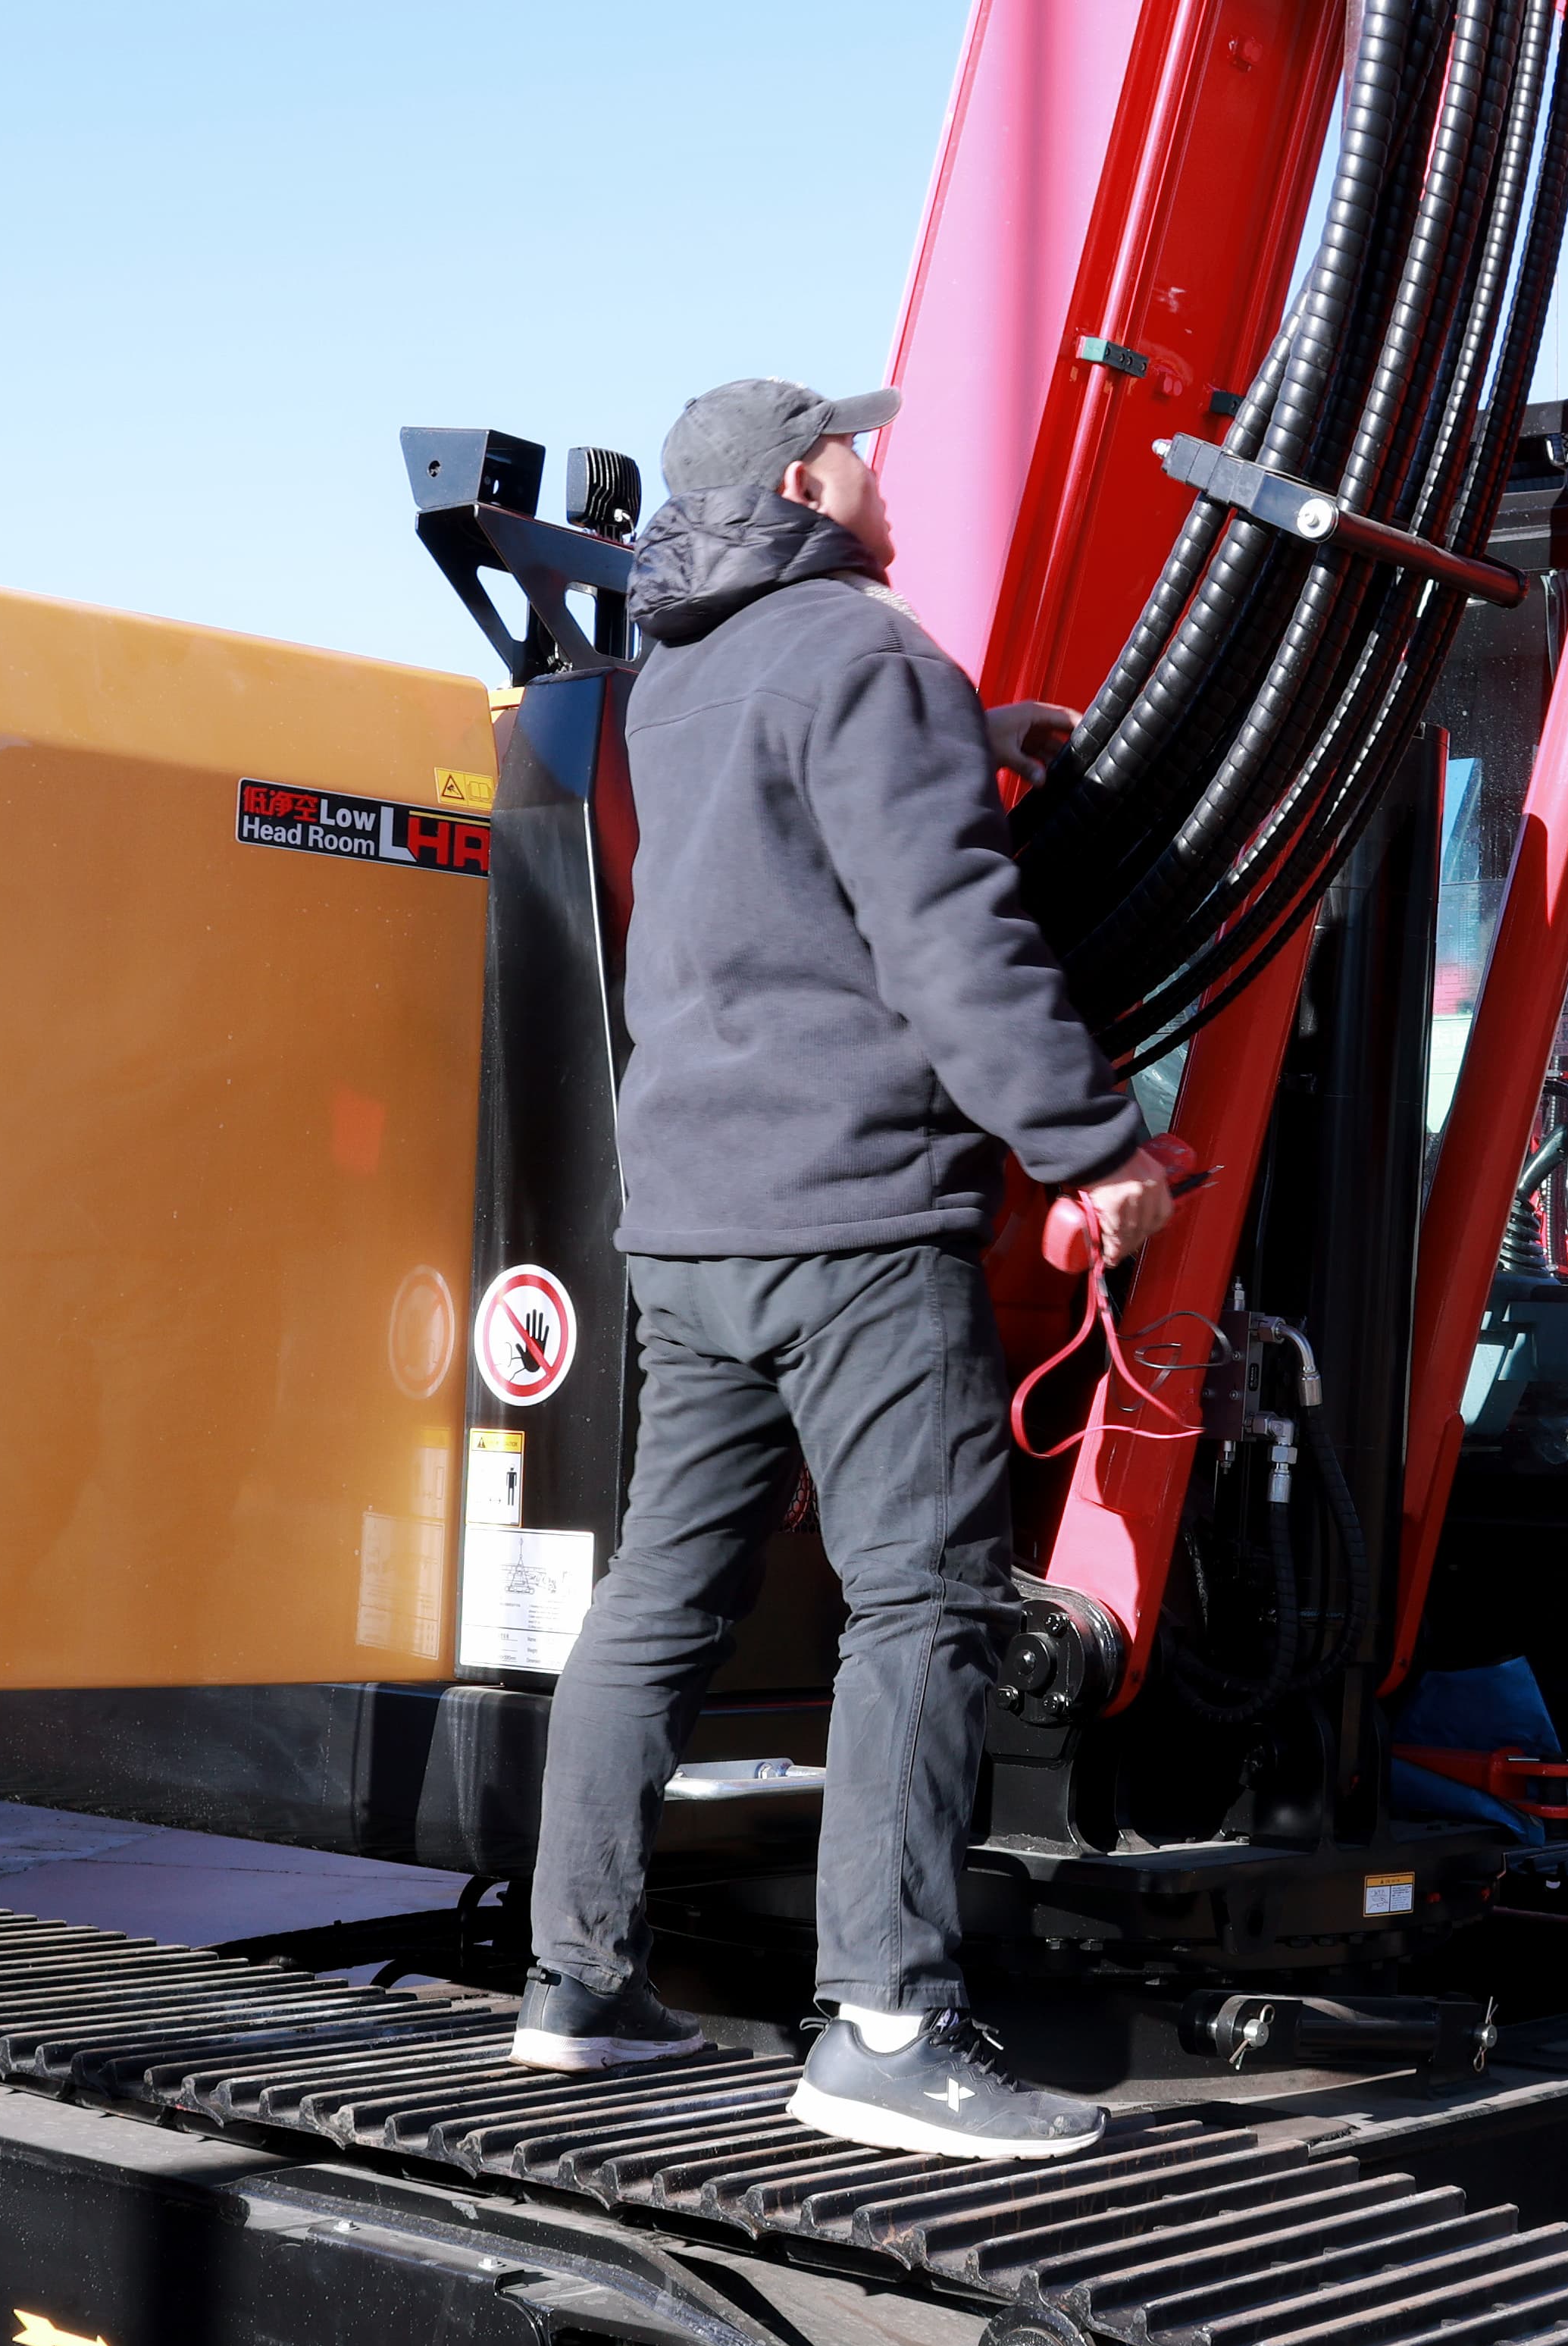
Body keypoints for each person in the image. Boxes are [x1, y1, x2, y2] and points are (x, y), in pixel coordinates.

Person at [504, 376, 1181, 2162]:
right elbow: (950, 939)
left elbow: (780, 854)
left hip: (693, 1218)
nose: (886, 467)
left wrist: (975, 733)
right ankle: (886, 2024)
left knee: (663, 1594)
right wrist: (1092, 1146)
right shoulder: (867, 653)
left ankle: (576, 1983)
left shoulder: (682, 672)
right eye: (860, 445)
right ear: (810, 477)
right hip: (856, 1218)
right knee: (924, 1599)